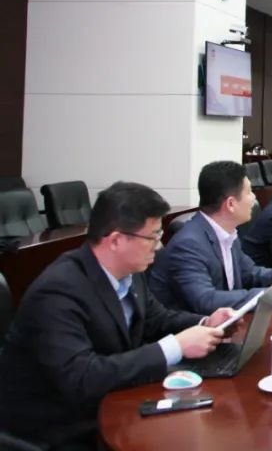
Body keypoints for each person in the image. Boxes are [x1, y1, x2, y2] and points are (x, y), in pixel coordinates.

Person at [0, 182, 231, 448]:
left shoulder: (130, 272)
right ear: (116, 240)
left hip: (110, 405)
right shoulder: (58, 290)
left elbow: (157, 319)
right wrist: (175, 347)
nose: (159, 247)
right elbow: (82, 376)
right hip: (57, 429)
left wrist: (205, 323)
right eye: (152, 237)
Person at [150, 161, 272, 315]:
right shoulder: (189, 243)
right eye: (249, 192)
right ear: (230, 204)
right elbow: (205, 300)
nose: (254, 198)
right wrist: (270, 294)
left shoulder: (227, 233)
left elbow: (250, 273)